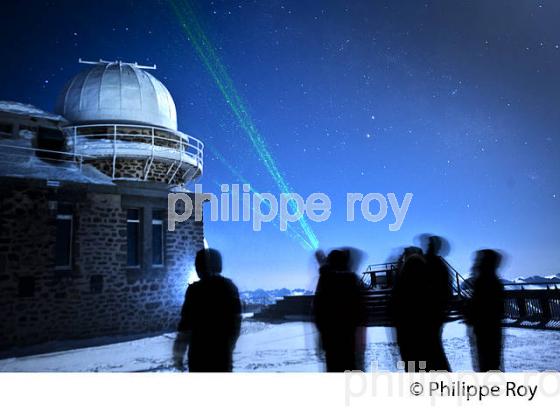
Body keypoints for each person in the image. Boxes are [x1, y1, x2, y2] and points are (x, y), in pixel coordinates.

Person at [173, 248, 242, 372]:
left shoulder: (194, 291)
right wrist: (229, 347)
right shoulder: (229, 288)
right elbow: (236, 324)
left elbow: (185, 327)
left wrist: (178, 355)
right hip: (222, 356)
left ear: (199, 267)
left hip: (198, 356)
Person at [313, 248, 366, 372]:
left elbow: (318, 311)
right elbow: (360, 312)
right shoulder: (351, 280)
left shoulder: (326, 280)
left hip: (331, 341)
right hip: (349, 340)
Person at [465, 249, 505, 372]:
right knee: (493, 362)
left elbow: (478, 308)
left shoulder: (482, 282)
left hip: (483, 330)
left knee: (485, 363)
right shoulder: (494, 281)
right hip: (492, 330)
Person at [423, 235, 452, 371]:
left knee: (432, 349)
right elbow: (447, 291)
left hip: (430, 313)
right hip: (436, 313)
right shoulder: (441, 265)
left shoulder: (427, 263)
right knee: (434, 348)